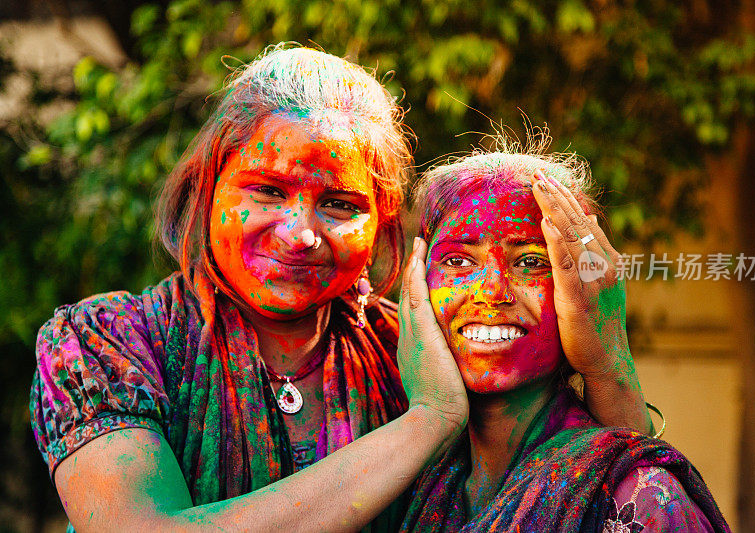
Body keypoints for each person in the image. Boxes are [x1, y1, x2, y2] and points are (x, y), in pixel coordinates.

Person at [31, 45, 655, 531]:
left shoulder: (415, 347)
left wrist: (606, 364)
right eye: (266, 191)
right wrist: (427, 422)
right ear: (207, 185)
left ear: (383, 218)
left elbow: (588, 481)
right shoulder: (106, 342)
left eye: (339, 203)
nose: (300, 234)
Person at [398, 149, 730, 532]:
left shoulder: (642, 497)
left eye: (529, 261)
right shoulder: (413, 482)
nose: (491, 291)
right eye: (458, 261)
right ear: (417, 278)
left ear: (583, 292)